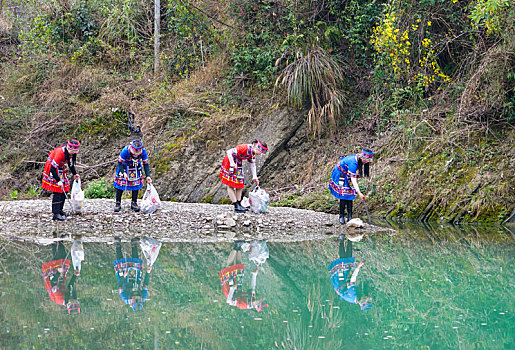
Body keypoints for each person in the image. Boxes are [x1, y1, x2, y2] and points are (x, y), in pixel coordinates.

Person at [219, 140, 268, 213]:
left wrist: (254, 177)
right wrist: (232, 164)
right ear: (257, 148)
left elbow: (253, 164)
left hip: (238, 163)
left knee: (240, 183)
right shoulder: (245, 148)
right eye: (260, 152)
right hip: (230, 161)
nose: (259, 154)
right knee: (230, 184)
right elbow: (229, 152)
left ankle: (239, 203)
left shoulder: (253, 153)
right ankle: (236, 205)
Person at [218, 241, 268, 312]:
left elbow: (229, 301)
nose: (259, 299)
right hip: (238, 288)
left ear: (257, 304)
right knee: (239, 267)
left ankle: (235, 247)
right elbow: (252, 287)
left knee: (229, 266)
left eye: (259, 301)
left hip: (230, 291)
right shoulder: (252, 298)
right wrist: (254, 275)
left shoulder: (244, 305)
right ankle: (239, 248)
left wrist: (232, 288)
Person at [329, 148, 373, 224]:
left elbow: (353, 177)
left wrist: (356, 191)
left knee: (350, 194)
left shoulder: (359, 160)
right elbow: (353, 180)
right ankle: (341, 216)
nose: (366, 162)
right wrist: (359, 193)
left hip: (348, 173)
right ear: (362, 158)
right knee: (343, 194)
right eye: (366, 160)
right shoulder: (353, 163)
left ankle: (350, 217)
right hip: (340, 173)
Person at [328, 235, 373, 310]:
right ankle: (350, 239)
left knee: (343, 262)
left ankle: (341, 240)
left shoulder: (353, 295)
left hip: (340, 282)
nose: (365, 295)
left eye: (365, 297)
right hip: (346, 282)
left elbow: (352, 279)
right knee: (349, 261)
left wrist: (358, 266)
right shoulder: (357, 296)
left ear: (362, 301)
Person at [42, 233, 81, 314]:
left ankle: (55, 238)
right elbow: (70, 285)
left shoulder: (60, 299)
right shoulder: (72, 296)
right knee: (63, 260)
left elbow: (53, 283)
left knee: (57, 259)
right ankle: (60, 240)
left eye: (71, 302)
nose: (72, 298)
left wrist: (58, 272)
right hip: (60, 281)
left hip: (52, 280)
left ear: (68, 305)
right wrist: (75, 275)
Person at [42, 139, 81, 221]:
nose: (72, 154)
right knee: (57, 190)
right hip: (52, 168)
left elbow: (71, 165)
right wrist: (58, 180)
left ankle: (60, 209)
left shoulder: (72, 154)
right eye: (71, 152)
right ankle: (55, 213)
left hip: (60, 167)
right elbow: (53, 168)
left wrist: (75, 174)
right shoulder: (60, 153)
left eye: (74, 152)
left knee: (65, 188)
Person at [113, 237, 153, 311]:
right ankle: (134, 245)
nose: (137, 297)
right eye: (138, 300)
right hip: (136, 281)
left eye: (135, 300)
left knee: (120, 267)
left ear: (132, 302)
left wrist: (123, 277)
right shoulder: (143, 296)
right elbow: (145, 284)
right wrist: (148, 273)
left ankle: (117, 244)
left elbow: (120, 285)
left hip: (124, 281)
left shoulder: (125, 297)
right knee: (136, 265)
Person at [113, 139, 152, 212]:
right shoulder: (125, 150)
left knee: (136, 184)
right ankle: (118, 202)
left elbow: (145, 163)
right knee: (120, 184)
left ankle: (134, 202)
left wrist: (148, 176)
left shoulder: (143, 151)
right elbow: (120, 162)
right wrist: (123, 173)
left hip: (136, 167)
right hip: (124, 166)